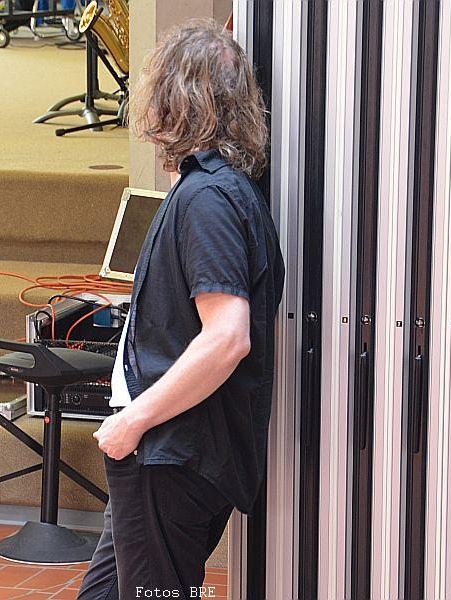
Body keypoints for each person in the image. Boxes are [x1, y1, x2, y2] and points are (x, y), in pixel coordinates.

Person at [77, 18, 285, 600]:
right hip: (167, 453)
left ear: (173, 98)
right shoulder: (220, 190)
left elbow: (227, 338)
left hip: (170, 453)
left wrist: (133, 421)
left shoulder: (207, 198)